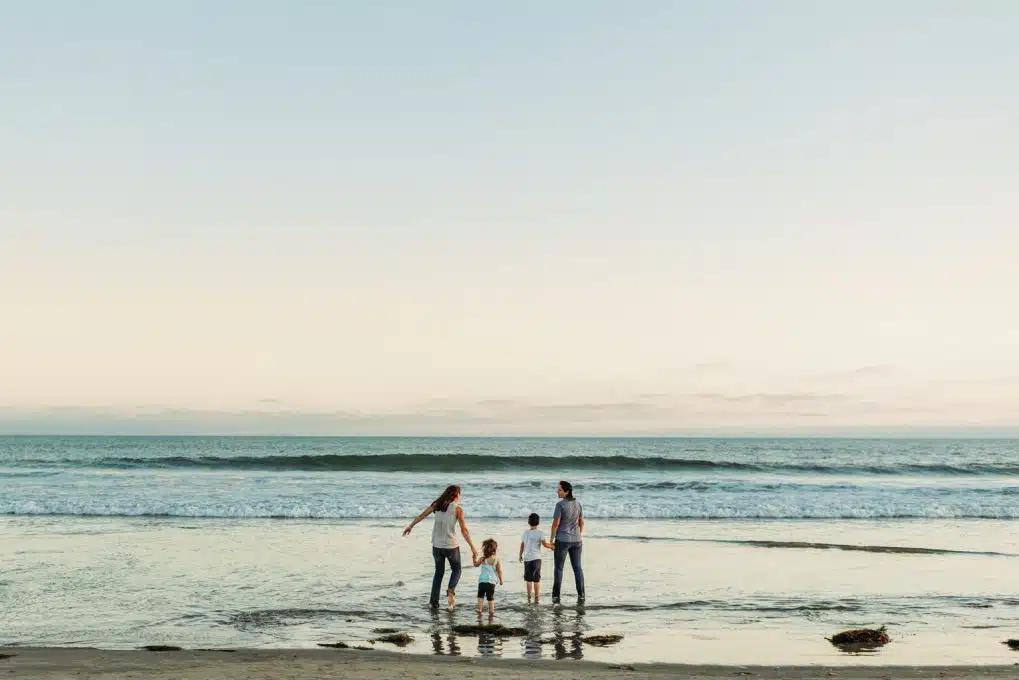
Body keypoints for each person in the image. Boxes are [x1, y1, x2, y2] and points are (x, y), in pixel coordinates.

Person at [403, 484, 478, 609]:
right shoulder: (458, 509)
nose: (460, 497)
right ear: (456, 495)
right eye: (459, 494)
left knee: (438, 573)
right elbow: (464, 530)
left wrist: (410, 526)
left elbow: (421, 515)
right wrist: (472, 547)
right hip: (451, 546)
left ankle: (434, 602)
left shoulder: (436, 505)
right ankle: (450, 591)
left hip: (437, 546)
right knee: (457, 570)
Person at [549, 480, 585, 605]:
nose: (557, 491)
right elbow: (581, 522)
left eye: (559, 489)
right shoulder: (578, 504)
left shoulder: (560, 505)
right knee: (577, 568)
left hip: (563, 540)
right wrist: (579, 534)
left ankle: (556, 597)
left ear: (566, 491)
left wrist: (551, 540)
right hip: (577, 540)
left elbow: (555, 524)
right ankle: (581, 595)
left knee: (559, 569)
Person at [518, 512, 553, 603]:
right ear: (538, 523)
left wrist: (520, 555)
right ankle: (537, 597)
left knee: (529, 579)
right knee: (536, 579)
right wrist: (553, 547)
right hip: (537, 559)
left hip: (527, 559)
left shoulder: (525, 533)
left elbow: (522, 544)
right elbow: (545, 545)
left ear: (529, 522)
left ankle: (529, 597)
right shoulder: (540, 533)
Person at [473, 538, 504, 616]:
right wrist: (501, 580)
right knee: (490, 598)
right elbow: (499, 571)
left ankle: (479, 610)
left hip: (482, 581)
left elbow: (476, 565)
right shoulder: (496, 559)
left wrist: (474, 558)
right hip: (491, 582)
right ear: (495, 549)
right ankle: (491, 612)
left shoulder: (482, 559)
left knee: (480, 596)